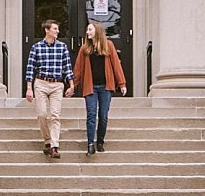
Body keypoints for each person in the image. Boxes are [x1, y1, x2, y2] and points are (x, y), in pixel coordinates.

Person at [72, 20, 127, 156]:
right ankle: (91, 144)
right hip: (90, 87)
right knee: (91, 115)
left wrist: (122, 84)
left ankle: (100, 141)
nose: (87, 32)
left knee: (103, 116)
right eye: (87, 30)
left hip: (105, 88)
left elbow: (116, 65)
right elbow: (78, 69)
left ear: (97, 31)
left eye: (90, 30)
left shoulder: (108, 45)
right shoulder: (85, 49)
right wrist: (73, 85)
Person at [23, 19, 74, 158]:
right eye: (55, 29)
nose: (57, 31)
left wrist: (71, 85)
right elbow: (30, 69)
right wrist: (29, 88)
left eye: (57, 29)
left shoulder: (62, 47)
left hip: (57, 85)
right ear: (47, 30)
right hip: (41, 83)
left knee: (55, 115)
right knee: (42, 114)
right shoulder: (36, 47)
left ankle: (54, 146)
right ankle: (47, 140)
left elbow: (67, 68)